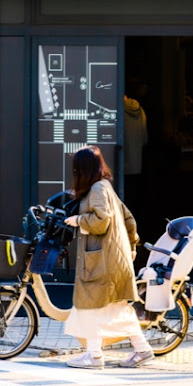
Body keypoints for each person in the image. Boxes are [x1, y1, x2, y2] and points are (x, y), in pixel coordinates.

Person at [63, 145, 154, 369]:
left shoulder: (97, 190)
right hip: (114, 260)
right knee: (111, 308)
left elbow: (101, 221)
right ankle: (140, 349)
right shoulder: (105, 187)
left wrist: (78, 220)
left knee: (90, 307)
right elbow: (128, 218)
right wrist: (131, 246)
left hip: (102, 262)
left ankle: (95, 356)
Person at [124, 94, 148, 220]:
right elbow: (144, 138)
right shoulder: (141, 111)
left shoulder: (117, 110)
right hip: (136, 163)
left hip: (121, 163)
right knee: (132, 201)